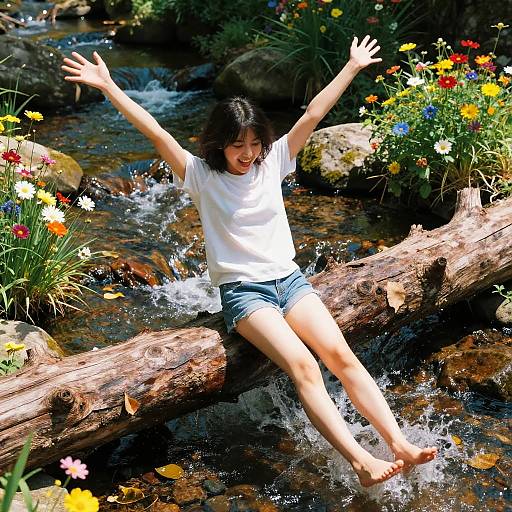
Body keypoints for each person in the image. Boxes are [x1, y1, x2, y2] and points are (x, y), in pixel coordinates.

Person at [62, 35, 437, 487]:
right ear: (219, 143)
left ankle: (398, 442)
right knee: (303, 366)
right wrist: (109, 87)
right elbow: (156, 131)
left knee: (341, 355)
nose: (247, 153)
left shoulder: (273, 161)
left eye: (254, 143)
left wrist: (352, 66)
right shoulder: (199, 175)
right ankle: (361, 461)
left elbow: (314, 113)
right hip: (245, 293)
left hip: (291, 281)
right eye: (238, 145)